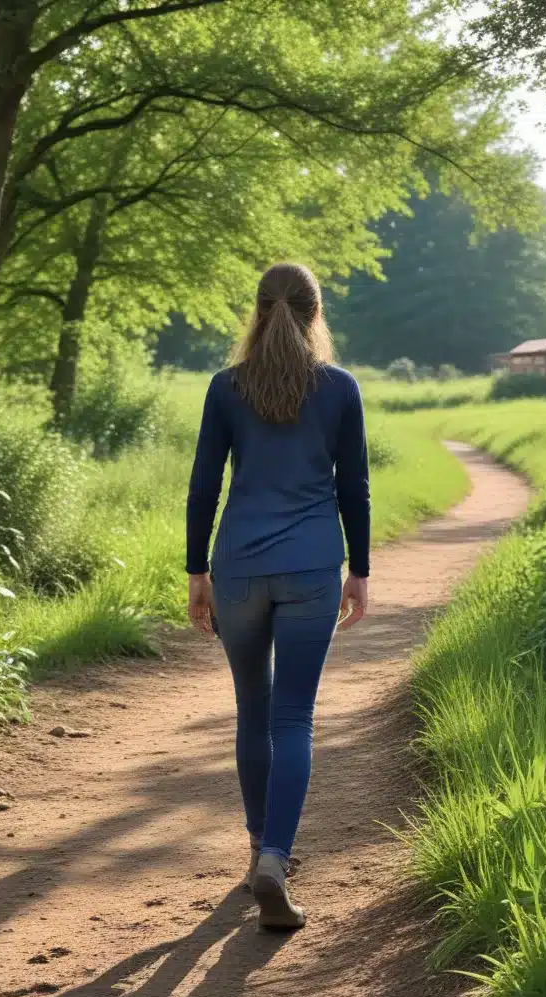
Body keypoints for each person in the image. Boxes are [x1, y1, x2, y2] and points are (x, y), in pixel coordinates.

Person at [185, 262, 370, 930]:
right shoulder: (341, 390)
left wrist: (196, 571)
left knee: (252, 711)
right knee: (293, 718)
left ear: (257, 312)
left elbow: (204, 485)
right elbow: (355, 488)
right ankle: (275, 856)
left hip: (238, 568)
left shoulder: (225, 388)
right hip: (312, 569)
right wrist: (362, 570)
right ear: (316, 314)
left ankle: (255, 848)